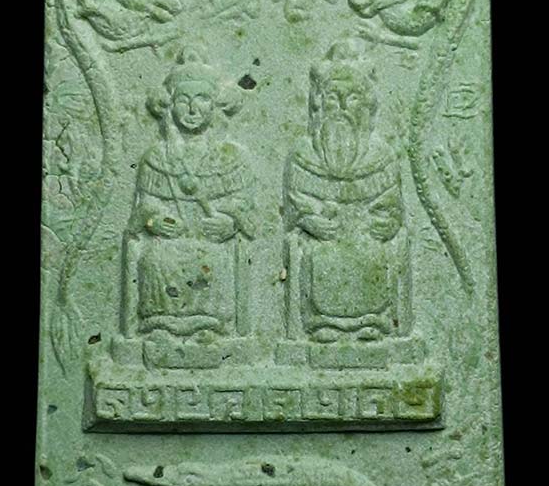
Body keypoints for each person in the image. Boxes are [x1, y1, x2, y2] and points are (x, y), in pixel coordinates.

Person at [285, 38, 411, 342]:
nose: (341, 107)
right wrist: (309, 220)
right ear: (319, 103)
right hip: (323, 244)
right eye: (333, 98)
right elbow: (294, 207)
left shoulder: (381, 156)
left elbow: (394, 208)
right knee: (317, 253)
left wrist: (386, 221)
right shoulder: (303, 155)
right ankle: (322, 325)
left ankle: (374, 322)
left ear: (366, 105)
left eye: (352, 98)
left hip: (368, 241)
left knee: (376, 253)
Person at [126, 47, 255, 341]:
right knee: (156, 258)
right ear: (170, 106)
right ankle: (161, 326)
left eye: (202, 99)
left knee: (213, 259)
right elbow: (145, 206)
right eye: (183, 101)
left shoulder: (232, 158)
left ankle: (210, 327)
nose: (192, 109)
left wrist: (230, 223)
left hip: (212, 243)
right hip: (169, 243)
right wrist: (154, 221)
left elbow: (245, 207)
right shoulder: (156, 157)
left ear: (214, 105)